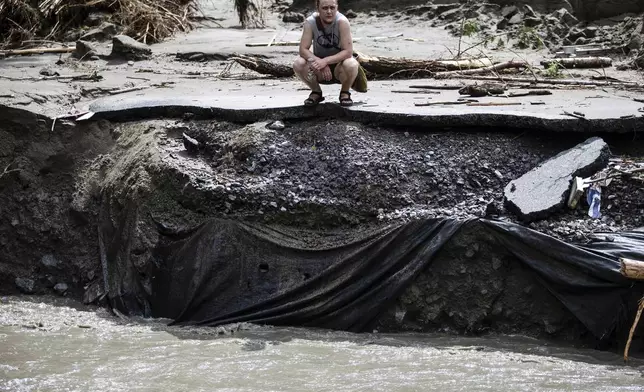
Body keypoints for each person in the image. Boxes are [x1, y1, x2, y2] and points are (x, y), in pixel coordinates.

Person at [293, 0, 364, 107]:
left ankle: (345, 93)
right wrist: (319, 62)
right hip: (318, 68)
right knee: (298, 63)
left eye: (332, 7)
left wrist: (325, 61)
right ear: (318, 8)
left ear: (337, 7)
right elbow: (303, 50)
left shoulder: (342, 21)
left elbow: (348, 52)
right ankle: (316, 92)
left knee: (352, 63)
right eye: (325, 8)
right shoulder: (310, 22)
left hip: (340, 68)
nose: (329, 11)